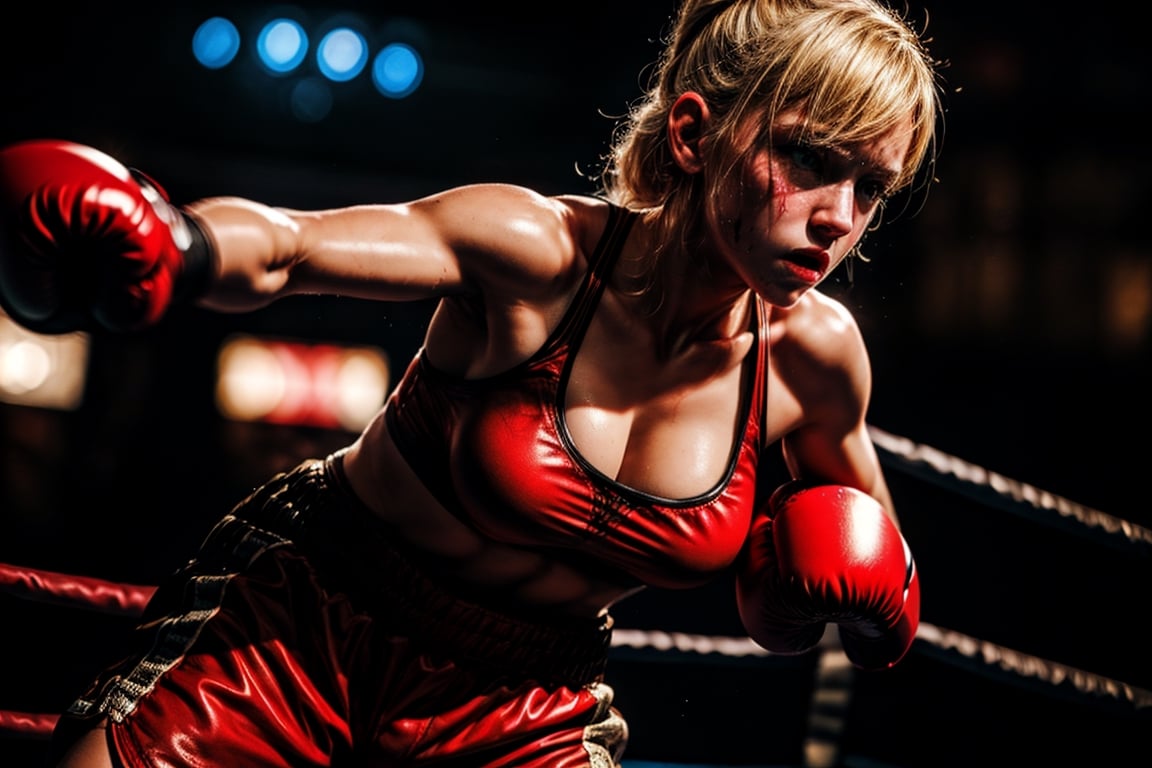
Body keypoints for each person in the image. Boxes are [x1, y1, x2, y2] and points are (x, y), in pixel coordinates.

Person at [0, 0, 943, 765]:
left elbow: (873, 553)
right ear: (695, 134)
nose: (840, 218)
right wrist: (180, 243)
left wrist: (864, 592)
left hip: (522, 704)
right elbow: (292, 248)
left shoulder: (814, 358)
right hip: (306, 631)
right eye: (812, 161)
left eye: (873, 189)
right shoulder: (539, 254)